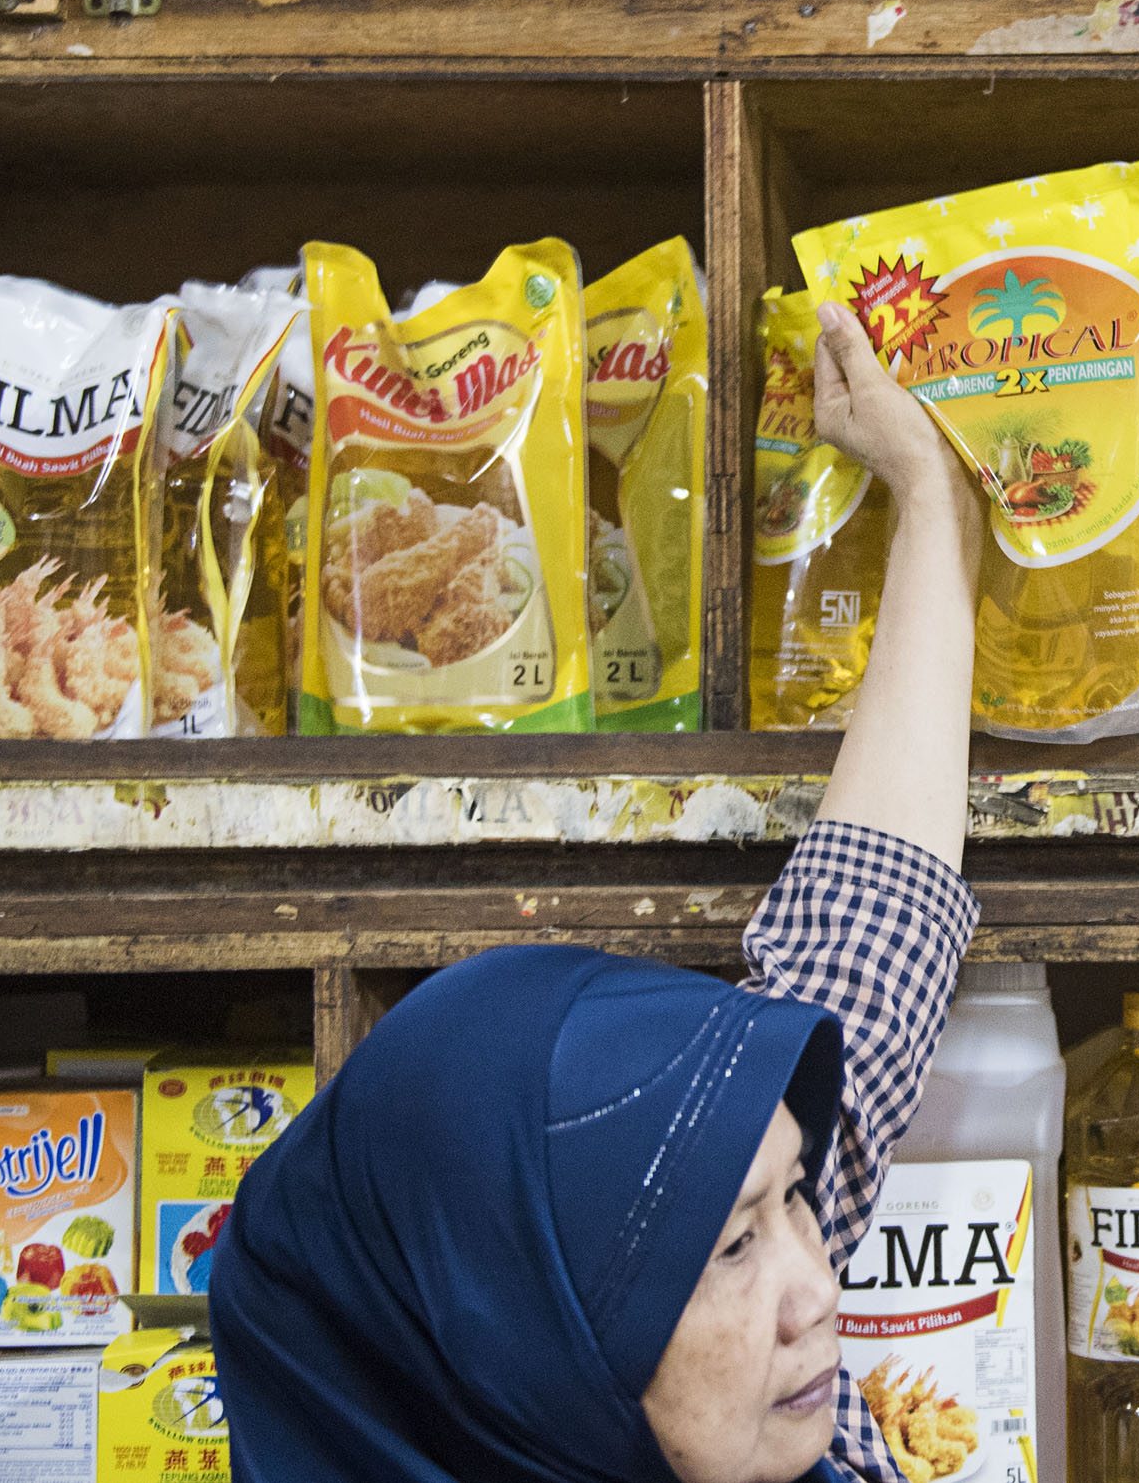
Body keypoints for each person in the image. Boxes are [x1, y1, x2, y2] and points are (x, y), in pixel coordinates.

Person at [213, 303, 986, 1483]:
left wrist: (930, 498)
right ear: (532, 1347)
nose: (820, 1283)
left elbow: (879, 913)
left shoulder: (633, 1329)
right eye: (734, 1245)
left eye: (791, 1202)